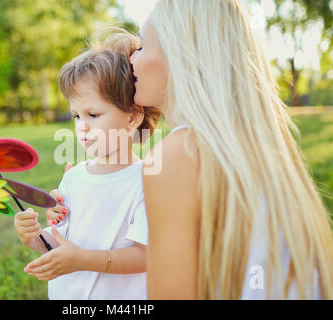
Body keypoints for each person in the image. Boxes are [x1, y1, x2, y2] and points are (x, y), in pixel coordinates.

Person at [129, 0, 332, 299]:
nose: (131, 58)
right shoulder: (261, 146)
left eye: (142, 46)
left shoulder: (176, 156)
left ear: (181, 56)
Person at [14, 28, 161, 299]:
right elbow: (61, 246)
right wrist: (33, 236)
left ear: (132, 117)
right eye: (76, 116)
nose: (82, 127)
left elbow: (145, 256)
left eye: (93, 114)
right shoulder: (74, 177)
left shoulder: (146, 180)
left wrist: (81, 259)